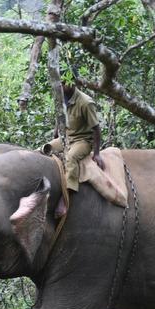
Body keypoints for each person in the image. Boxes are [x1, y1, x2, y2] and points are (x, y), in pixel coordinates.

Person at [41, 81, 104, 220]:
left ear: (72, 83)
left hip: (82, 140)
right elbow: (59, 117)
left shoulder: (86, 102)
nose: (61, 86)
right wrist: (55, 136)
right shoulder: (62, 97)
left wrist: (97, 154)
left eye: (64, 83)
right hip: (67, 138)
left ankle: (66, 198)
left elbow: (96, 129)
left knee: (71, 158)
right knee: (44, 149)